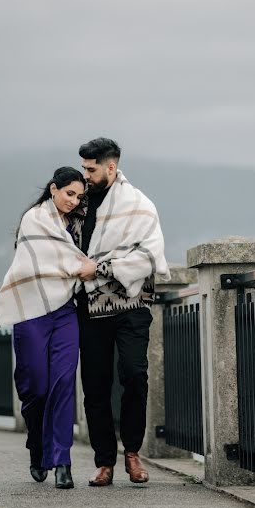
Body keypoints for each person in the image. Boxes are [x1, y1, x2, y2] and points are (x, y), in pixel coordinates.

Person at [0, 166, 95, 490]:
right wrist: (82, 266)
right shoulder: (34, 219)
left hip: (64, 312)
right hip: (31, 312)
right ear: (54, 189)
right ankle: (37, 444)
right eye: (69, 193)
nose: (73, 201)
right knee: (36, 387)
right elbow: (49, 261)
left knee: (63, 383)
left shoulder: (77, 225)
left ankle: (62, 461)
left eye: (79, 196)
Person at [75, 138, 170, 487]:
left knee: (134, 374)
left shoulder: (140, 205)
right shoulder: (77, 204)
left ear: (111, 167)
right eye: (83, 168)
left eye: (91, 169)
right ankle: (104, 462)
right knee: (95, 385)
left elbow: (150, 257)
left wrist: (99, 268)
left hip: (131, 304)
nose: (85, 174)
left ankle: (132, 452)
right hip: (88, 306)